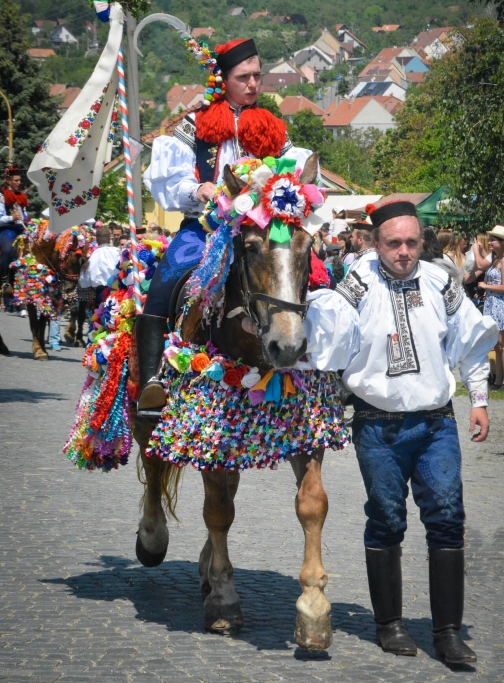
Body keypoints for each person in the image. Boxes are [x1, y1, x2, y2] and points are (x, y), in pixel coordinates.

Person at [299, 201, 497, 665]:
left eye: (411, 242)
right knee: (387, 520)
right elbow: (322, 332)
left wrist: (481, 399)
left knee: (448, 520)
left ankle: (447, 634)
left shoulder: (440, 280)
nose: (404, 252)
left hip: (436, 422)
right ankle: (389, 625)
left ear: (419, 240)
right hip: (377, 425)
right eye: (393, 243)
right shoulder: (357, 282)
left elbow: (467, 339)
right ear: (376, 241)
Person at [138, 36, 318, 411]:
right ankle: (152, 379)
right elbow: (169, 179)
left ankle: (318, 370)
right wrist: (198, 188)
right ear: (223, 80)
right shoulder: (193, 125)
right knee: (165, 281)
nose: (253, 84)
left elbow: (295, 170)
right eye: (244, 77)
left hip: (261, 231)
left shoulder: (272, 126)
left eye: (257, 75)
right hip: (205, 230)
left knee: (315, 276)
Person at [473, 225, 504, 388]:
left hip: (500, 305)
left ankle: (501, 380)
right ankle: (498, 379)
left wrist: (486, 286)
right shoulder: (496, 257)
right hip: (493, 304)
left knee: (500, 345)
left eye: (493, 240)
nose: (490, 242)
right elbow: (482, 264)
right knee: (497, 345)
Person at [0, 168, 29, 316]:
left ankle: (22, 300)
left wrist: (27, 221)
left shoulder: (21, 197)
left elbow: (25, 215)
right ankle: (4, 279)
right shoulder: (2, 195)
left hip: (21, 229)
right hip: (6, 229)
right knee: (8, 250)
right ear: (9, 180)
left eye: (19, 180)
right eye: (16, 180)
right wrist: (12, 218)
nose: (19, 183)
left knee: (29, 255)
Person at [79, 226, 120, 305]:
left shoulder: (93, 256)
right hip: (117, 290)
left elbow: (84, 280)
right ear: (109, 238)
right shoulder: (118, 252)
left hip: (101, 293)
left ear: (97, 239)